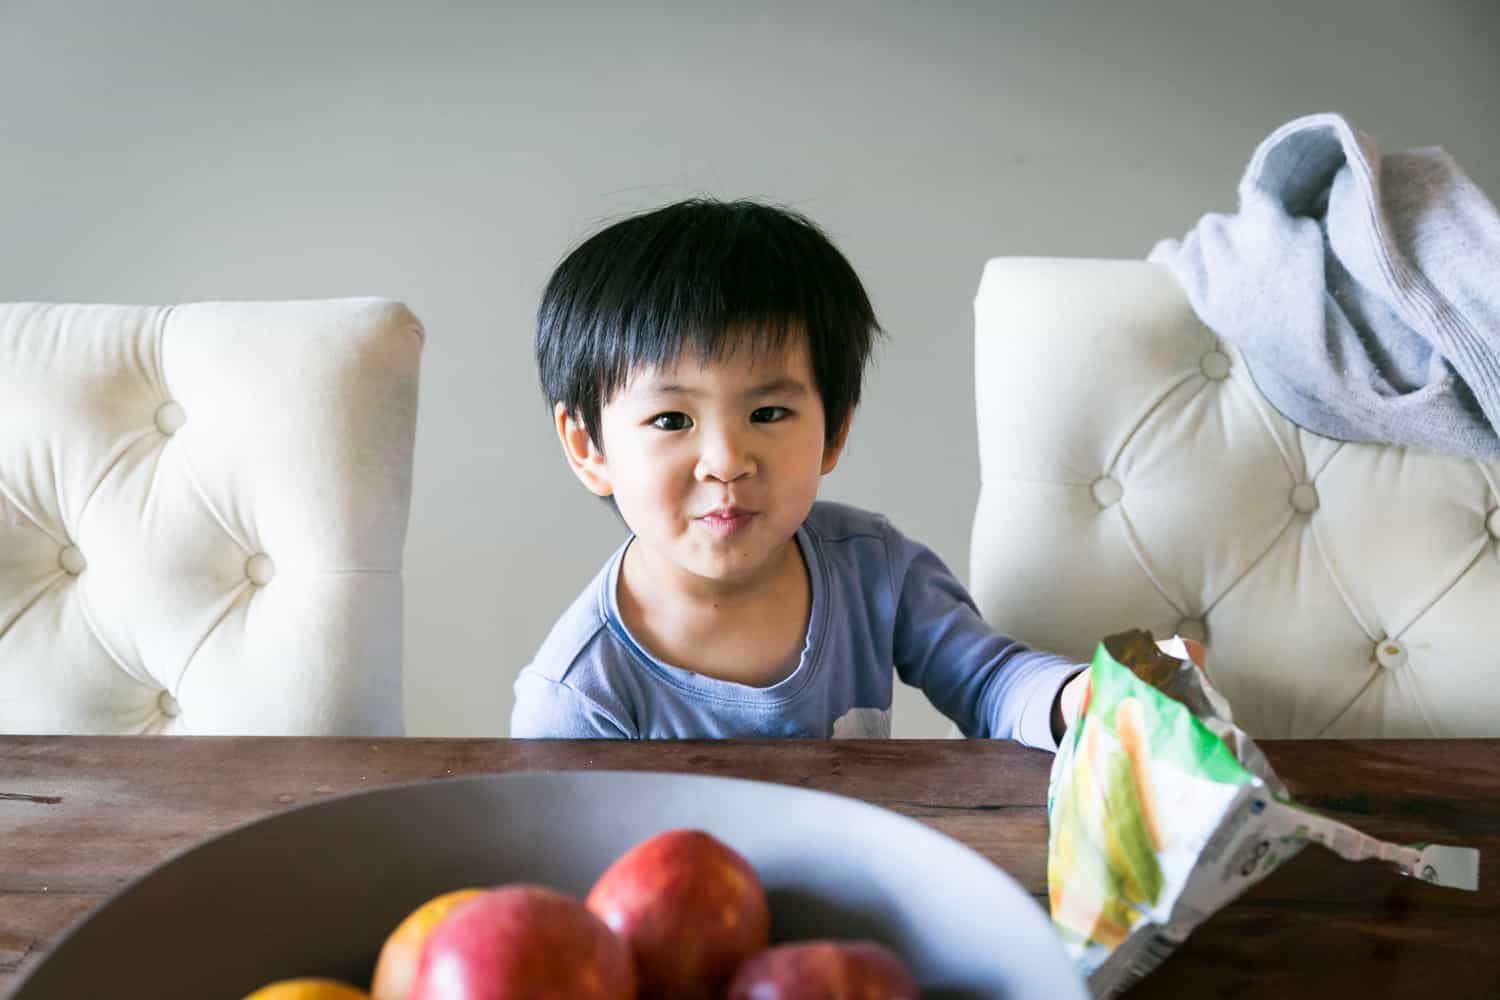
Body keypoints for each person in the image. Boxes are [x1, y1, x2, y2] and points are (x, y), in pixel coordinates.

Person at [512, 198, 1086, 744]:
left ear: (833, 432)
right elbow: (571, 844)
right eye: (671, 419)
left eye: (767, 413)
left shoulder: (873, 568)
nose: (727, 462)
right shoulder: (577, 698)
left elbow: (988, 681)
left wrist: (1081, 696)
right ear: (589, 446)